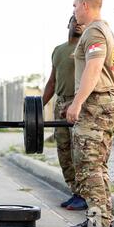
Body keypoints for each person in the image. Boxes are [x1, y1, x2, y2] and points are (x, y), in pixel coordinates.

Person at [66, 0, 114, 227]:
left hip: (95, 106)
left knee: (88, 167)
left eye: (75, 5)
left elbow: (95, 67)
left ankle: (98, 223)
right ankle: (103, 218)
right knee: (98, 167)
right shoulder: (106, 30)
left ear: (86, 6)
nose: (74, 10)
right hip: (105, 104)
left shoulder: (95, 31)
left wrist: (77, 103)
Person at [43, 15, 87, 210]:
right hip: (60, 103)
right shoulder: (58, 50)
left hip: (78, 102)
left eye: (81, 22)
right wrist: (37, 106)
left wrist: (79, 102)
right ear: (68, 24)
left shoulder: (86, 48)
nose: (78, 24)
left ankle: (85, 194)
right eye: (74, 21)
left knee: (80, 152)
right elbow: (52, 81)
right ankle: (75, 192)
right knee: (64, 151)